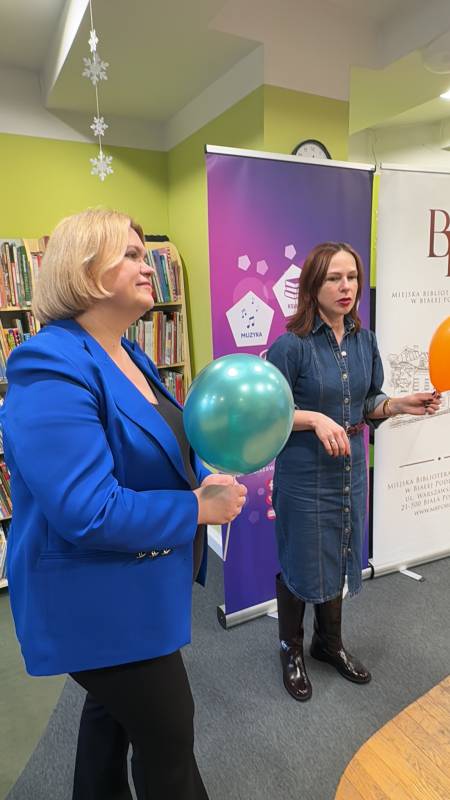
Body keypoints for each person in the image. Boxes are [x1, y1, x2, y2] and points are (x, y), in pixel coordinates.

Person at [1, 208, 247, 799]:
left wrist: (208, 471)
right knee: (169, 744)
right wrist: (197, 508)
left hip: (139, 584)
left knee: (109, 723)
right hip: (97, 601)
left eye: (146, 254)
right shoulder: (49, 363)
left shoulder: (129, 353)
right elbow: (88, 510)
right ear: (84, 269)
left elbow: (167, 443)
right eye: (132, 255)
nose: (148, 266)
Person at [267, 242, 441, 702]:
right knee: (301, 556)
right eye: (334, 278)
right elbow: (268, 413)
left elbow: (367, 402)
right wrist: (314, 418)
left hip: (349, 468)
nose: (346, 287)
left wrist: (397, 404)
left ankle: (328, 643)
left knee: (340, 550)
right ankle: (290, 649)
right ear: (313, 286)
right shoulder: (291, 346)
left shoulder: (365, 341)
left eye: (352, 277)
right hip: (304, 472)